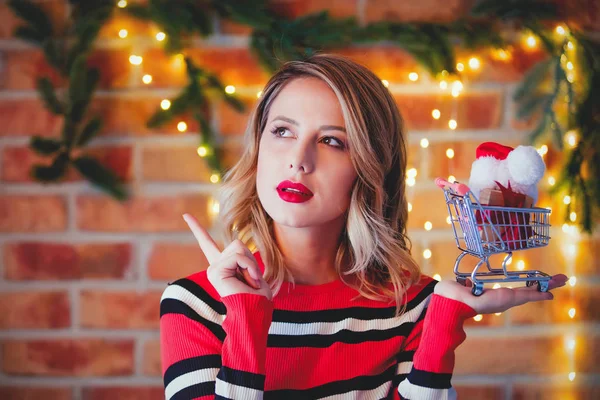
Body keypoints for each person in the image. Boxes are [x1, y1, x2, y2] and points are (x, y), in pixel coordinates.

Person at [160, 53, 567, 399]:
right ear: (259, 148)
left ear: (369, 170)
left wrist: (443, 322)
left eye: (333, 141)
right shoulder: (194, 303)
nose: (298, 160)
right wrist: (246, 314)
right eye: (282, 131)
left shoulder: (413, 307)